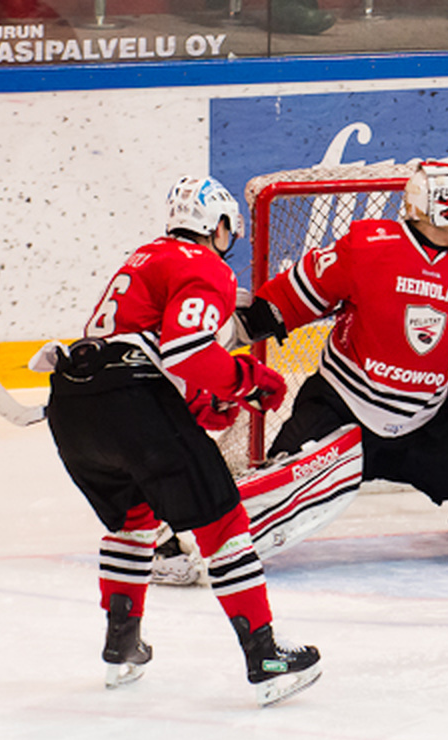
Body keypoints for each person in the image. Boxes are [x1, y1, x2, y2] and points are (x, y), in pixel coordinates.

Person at [41, 175, 322, 707]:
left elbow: (140, 351)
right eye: (226, 233)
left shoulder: (142, 257)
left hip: (73, 405)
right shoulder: (204, 264)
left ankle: (121, 646)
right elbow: (187, 352)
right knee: (224, 521)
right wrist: (247, 381)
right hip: (131, 400)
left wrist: (197, 402)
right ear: (217, 227)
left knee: (135, 520)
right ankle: (265, 658)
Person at [233, 161, 448, 543]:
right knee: (271, 498)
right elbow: (294, 297)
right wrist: (241, 324)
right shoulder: (368, 244)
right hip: (341, 409)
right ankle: (211, 532)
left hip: (426, 424)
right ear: (433, 205)